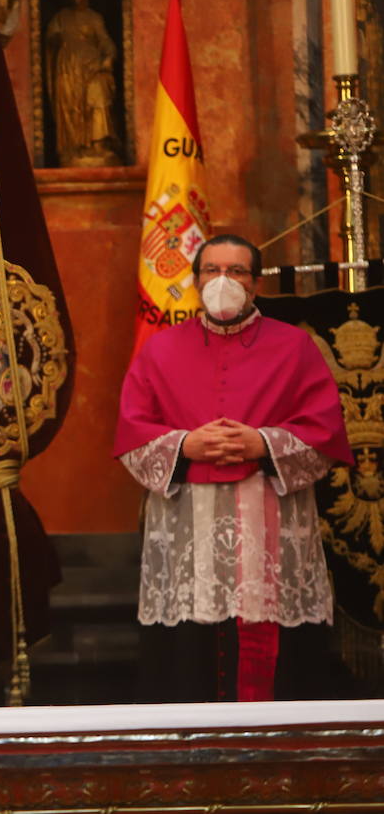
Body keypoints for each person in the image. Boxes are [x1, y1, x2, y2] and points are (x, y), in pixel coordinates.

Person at [114, 235, 353, 702]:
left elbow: (325, 433)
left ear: (256, 283)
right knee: (190, 655)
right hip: (190, 525)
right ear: (196, 279)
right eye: (211, 271)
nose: (223, 281)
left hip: (270, 525)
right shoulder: (160, 350)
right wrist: (187, 445)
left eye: (237, 271)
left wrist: (261, 442)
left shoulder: (295, 346)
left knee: (276, 659)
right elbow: (131, 432)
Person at [45, 0, 120, 167]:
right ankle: (73, 147)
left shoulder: (94, 18)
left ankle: (99, 144)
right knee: (71, 108)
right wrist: (55, 39)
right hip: (68, 70)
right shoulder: (61, 17)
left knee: (99, 99)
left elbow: (106, 42)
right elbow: (50, 40)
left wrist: (108, 58)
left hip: (92, 67)